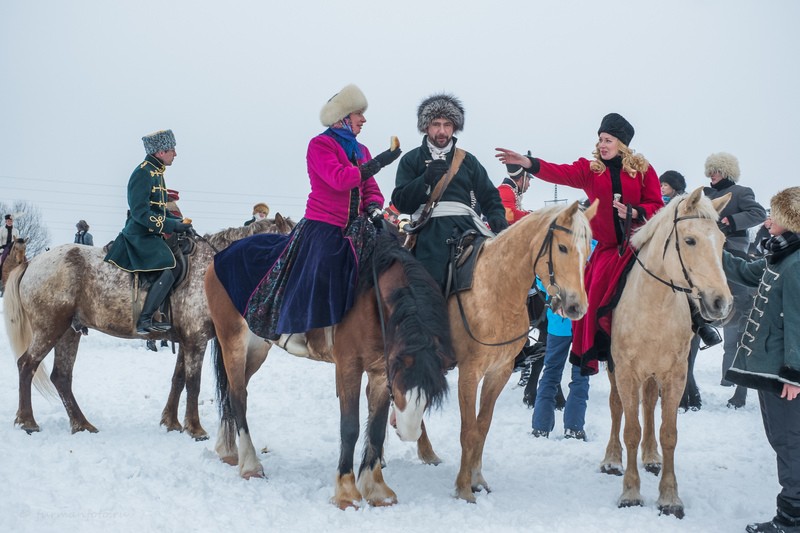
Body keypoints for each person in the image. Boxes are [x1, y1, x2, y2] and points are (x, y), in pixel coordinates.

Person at [212, 83, 401, 356]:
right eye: (359, 113)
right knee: (320, 266)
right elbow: (339, 180)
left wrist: (373, 208)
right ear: (343, 117)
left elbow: (370, 188)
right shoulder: (320, 145)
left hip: (357, 226)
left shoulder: (362, 150)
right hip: (324, 226)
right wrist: (381, 161)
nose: (364, 119)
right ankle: (296, 330)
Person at [496, 113, 664, 376]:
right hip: (607, 251)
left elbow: (657, 206)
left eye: (608, 140)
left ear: (621, 143)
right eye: (600, 139)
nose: (602, 145)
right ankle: (598, 348)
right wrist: (528, 163)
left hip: (638, 245)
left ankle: (695, 322)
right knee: (593, 293)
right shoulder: (590, 170)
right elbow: (560, 172)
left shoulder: (643, 170)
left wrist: (635, 212)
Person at [720, 187, 800, 533]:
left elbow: (798, 321)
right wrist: (711, 245)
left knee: (790, 441)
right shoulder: (781, 256)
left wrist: (794, 374)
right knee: (784, 440)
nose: (767, 222)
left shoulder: (796, 263)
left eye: (774, 217)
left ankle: (791, 519)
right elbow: (745, 272)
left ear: (791, 222)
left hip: (785, 377)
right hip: (773, 371)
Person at [391, 93, 508, 291]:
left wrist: (497, 217)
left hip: (467, 227)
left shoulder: (468, 161)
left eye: (447, 124)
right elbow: (402, 203)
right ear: (426, 127)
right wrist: (425, 180)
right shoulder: (411, 160)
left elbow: (489, 196)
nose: (442, 131)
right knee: (428, 285)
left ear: (454, 127)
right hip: (428, 231)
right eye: (436, 124)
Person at [104, 129, 192, 334]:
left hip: (151, 232)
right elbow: (140, 213)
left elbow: (158, 210)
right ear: (160, 152)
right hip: (139, 234)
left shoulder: (157, 172)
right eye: (172, 150)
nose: (175, 154)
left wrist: (179, 222)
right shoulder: (143, 173)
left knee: (179, 263)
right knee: (169, 268)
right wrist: (171, 226)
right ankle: (145, 318)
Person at [703, 152, 767, 409]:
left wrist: (732, 220)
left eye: (716, 170)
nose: (712, 175)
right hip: (706, 260)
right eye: (710, 171)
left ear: (727, 171)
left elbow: (759, 213)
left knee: (740, 326)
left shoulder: (741, 192)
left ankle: (740, 389)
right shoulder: (704, 195)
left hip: (734, 260)